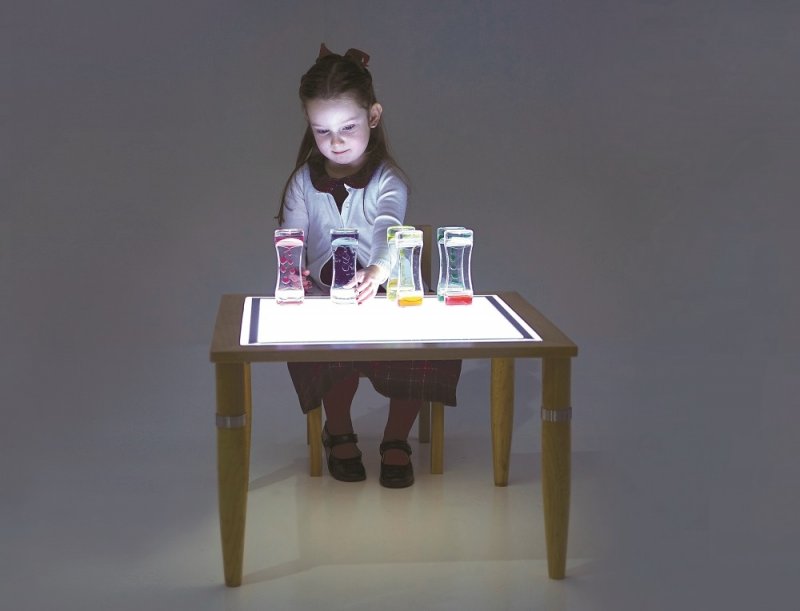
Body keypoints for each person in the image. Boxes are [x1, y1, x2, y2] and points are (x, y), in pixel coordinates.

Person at [276, 44, 461, 488]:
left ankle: (396, 436)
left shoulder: (387, 180)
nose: (335, 142)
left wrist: (377, 270)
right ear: (309, 126)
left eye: (348, 127)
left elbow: (388, 227)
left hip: (386, 292)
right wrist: (295, 269)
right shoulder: (302, 182)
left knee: (416, 352)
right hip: (326, 298)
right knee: (327, 352)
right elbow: (292, 234)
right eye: (322, 131)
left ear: (373, 116)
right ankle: (338, 428)